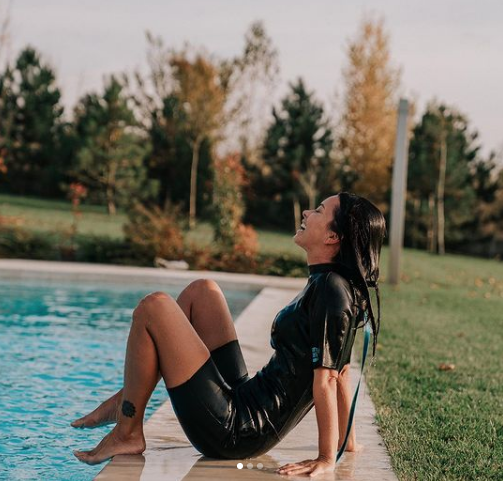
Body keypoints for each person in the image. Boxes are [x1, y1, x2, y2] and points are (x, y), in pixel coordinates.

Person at [72, 192, 386, 477]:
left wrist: (326, 457)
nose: (306, 212)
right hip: (245, 400)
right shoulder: (328, 283)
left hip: (235, 430)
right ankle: (129, 399)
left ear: (333, 236)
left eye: (318, 210)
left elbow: (330, 378)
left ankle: (128, 430)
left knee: (153, 307)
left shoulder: (331, 290)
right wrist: (348, 442)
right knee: (202, 292)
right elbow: (343, 371)